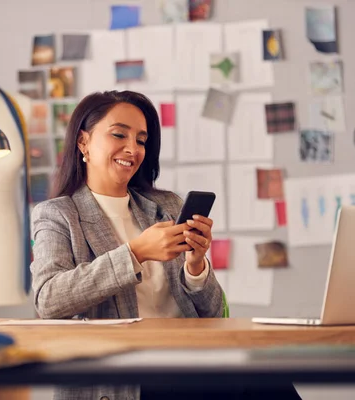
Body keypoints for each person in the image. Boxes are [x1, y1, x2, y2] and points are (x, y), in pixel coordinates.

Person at [29, 90, 301, 400]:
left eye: (142, 141)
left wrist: (196, 266)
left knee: (266, 372)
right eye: (119, 134)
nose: (132, 149)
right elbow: (48, 299)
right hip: (128, 375)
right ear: (83, 142)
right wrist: (136, 252)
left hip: (189, 359)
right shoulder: (58, 215)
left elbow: (214, 315)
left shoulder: (166, 206)